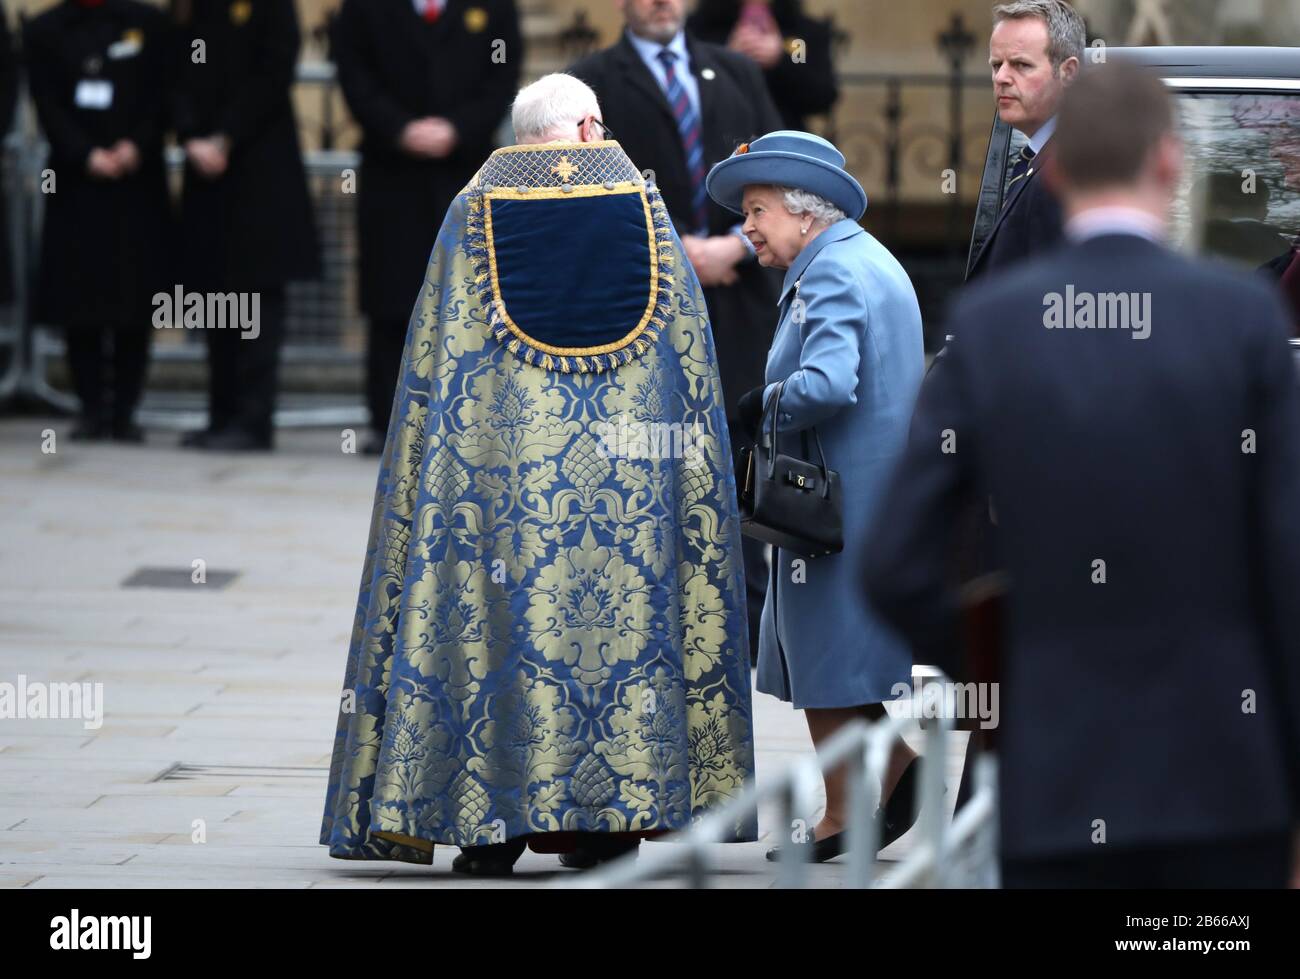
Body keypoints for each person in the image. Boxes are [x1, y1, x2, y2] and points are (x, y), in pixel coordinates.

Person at [865, 62, 1300, 888]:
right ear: (1171, 163)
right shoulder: (1243, 318)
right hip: (1221, 773)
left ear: (1056, 170)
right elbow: (1285, 555)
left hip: (1054, 767)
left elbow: (893, 561)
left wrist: (989, 661)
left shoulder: (991, 325)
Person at [320, 74, 757, 876]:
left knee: (493, 629)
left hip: (498, 490)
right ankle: (608, 829)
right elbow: (686, 363)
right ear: (590, 127)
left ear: (528, 136)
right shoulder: (648, 211)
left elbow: (434, 361)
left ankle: (491, 831)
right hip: (629, 487)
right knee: (622, 632)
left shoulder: (468, 212)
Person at [705, 131, 926, 862]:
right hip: (861, 494)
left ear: (806, 213)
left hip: (837, 504)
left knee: (825, 658)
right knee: (830, 656)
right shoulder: (857, 256)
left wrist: (759, 405)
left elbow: (831, 384)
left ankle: (849, 809)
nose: (748, 228)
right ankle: (881, 780)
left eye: (759, 210)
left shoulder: (832, 272)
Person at [570, 0, 785, 662]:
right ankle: (657, 622)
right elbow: (581, 194)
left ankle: (745, 625)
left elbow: (777, 167)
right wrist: (672, 252)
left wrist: (736, 247)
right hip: (645, 303)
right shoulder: (591, 81)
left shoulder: (734, 72)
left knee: (743, 450)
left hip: (740, 292)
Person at [332, 0, 522, 455]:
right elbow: (355, 74)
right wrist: (399, 129)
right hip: (390, 171)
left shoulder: (494, 6)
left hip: (466, 170)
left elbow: (502, 77)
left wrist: (458, 129)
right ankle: (388, 422)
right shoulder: (362, 9)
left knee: (471, 295)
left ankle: (469, 417)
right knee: (390, 296)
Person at [171, 0, 320, 451]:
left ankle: (253, 420)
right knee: (215, 297)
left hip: (259, 172)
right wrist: (190, 135)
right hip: (206, 172)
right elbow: (173, 69)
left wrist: (225, 136)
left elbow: (273, 72)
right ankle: (221, 414)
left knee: (257, 300)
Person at [26, 0, 174, 442]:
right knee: (80, 300)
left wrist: (135, 146)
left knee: (134, 302)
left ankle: (125, 410)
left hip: (137, 183)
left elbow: (163, 93)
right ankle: (91, 408)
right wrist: (84, 153)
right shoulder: (46, 30)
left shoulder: (149, 25)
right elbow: (46, 101)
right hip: (77, 183)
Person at [966, 0, 1082, 281]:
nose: (1001, 77)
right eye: (996, 65)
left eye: (1021, 65)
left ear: (1068, 72)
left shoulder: (1069, 170)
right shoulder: (1040, 157)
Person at [687, 0, 838, 131]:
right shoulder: (699, 29)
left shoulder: (802, 32)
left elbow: (822, 95)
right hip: (719, 140)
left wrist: (782, 58)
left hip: (783, 140)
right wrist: (726, 56)